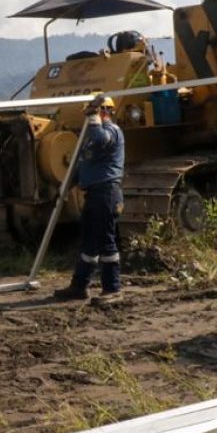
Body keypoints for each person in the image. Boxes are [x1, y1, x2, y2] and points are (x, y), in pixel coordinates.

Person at [53, 93, 126, 307]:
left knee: (105, 241)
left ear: (106, 112)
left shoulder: (111, 131)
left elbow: (100, 138)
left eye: (94, 113)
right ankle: (79, 286)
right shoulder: (91, 138)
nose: (90, 118)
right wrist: (67, 185)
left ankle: (112, 289)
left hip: (107, 193)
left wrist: (94, 118)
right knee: (89, 242)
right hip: (94, 194)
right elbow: (83, 165)